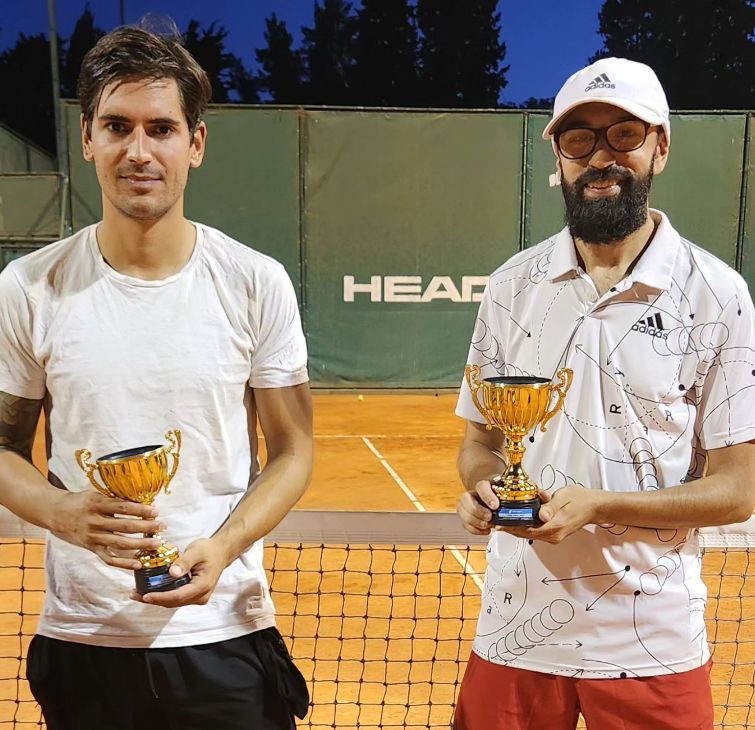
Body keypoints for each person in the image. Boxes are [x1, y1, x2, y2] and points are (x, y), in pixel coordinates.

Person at [0, 23, 312, 730]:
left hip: (224, 631)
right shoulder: (30, 288)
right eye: (117, 126)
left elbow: (294, 452)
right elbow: (3, 449)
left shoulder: (255, 282)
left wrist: (223, 548)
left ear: (194, 144)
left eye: (161, 128)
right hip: (85, 638)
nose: (138, 151)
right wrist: (60, 513)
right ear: (88, 138)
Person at [454, 57, 755, 730]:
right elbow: (479, 442)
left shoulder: (717, 294)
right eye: (578, 138)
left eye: (623, 134)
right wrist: (482, 487)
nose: (599, 157)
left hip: (652, 641)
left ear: (660, 147)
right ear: (558, 156)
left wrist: (599, 505)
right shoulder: (510, 286)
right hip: (514, 630)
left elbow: (738, 491)